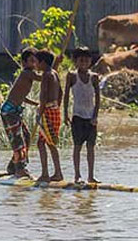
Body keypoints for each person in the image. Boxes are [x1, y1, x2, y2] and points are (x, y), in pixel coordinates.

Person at [0, 47, 41, 177]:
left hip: (15, 112)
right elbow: (43, 78)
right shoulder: (26, 73)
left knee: (26, 136)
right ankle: (19, 169)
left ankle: (13, 165)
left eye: (36, 61)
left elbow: (22, 96)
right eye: (31, 61)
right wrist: (54, 66)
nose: (34, 64)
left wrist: (37, 104)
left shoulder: (28, 74)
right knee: (18, 140)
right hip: (9, 111)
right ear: (24, 63)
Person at [63, 47, 101, 184]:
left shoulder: (94, 77)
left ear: (90, 61)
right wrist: (65, 114)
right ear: (76, 61)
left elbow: (98, 98)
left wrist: (95, 116)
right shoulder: (72, 76)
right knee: (77, 146)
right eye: (81, 60)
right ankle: (77, 175)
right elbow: (66, 96)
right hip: (77, 116)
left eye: (86, 60)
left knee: (90, 147)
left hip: (90, 116)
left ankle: (91, 176)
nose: (84, 63)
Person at [35, 49, 64, 182]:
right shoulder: (55, 74)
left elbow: (43, 96)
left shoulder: (47, 75)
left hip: (48, 112)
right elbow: (61, 93)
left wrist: (40, 113)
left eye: (36, 62)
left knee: (47, 143)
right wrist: (56, 106)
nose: (35, 65)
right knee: (44, 143)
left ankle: (51, 174)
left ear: (42, 62)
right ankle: (51, 173)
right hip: (55, 110)